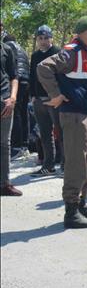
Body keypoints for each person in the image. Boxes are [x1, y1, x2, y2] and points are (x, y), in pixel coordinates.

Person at [37, 16, 87, 227]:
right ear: (80, 33)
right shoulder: (72, 51)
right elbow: (43, 67)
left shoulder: (86, 52)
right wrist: (55, 95)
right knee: (76, 162)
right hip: (74, 115)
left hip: (84, 114)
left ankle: (81, 202)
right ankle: (71, 211)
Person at [29, 25, 63, 177]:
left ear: (51, 38)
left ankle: (65, 165)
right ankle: (48, 165)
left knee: (61, 132)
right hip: (39, 100)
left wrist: (59, 96)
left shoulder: (57, 52)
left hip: (54, 99)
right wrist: (33, 95)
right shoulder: (35, 55)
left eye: (46, 38)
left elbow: (62, 76)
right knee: (44, 134)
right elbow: (32, 75)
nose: (43, 41)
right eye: (40, 38)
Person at [2, 32, 31, 160]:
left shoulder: (7, 47)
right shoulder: (22, 49)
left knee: (16, 113)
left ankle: (16, 146)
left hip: (17, 81)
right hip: (27, 81)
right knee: (24, 112)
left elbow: (10, 69)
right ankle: (25, 144)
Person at [1, 37, 21, 196]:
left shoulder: (6, 49)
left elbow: (14, 76)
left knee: (4, 144)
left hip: (5, 101)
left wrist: (13, 98)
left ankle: (4, 184)